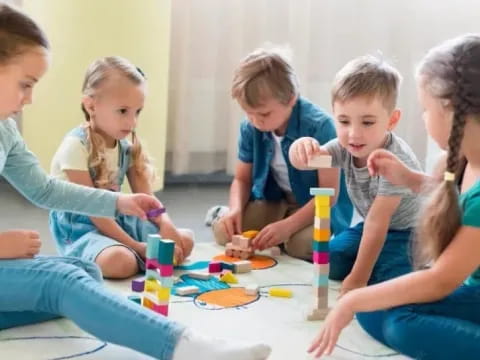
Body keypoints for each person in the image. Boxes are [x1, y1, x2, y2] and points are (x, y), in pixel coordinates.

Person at [0, 4, 270, 360]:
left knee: (83, 272)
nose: (29, 99)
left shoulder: (5, 129)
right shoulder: (70, 143)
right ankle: (186, 347)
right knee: (62, 282)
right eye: (25, 84)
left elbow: (44, 189)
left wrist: (120, 202)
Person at [308, 34, 480, 360]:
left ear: (452, 111)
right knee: (373, 310)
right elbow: (449, 194)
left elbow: (441, 280)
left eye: (426, 110)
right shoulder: (463, 160)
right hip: (470, 289)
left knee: (396, 321)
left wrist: (353, 299)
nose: (423, 118)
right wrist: (407, 177)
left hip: (464, 288)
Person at [49, 56, 193, 279]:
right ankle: (126, 255)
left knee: (185, 240)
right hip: (82, 228)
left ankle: (136, 255)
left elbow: (148, 200)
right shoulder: (75, 147)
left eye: (137, 112)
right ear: (91, 105)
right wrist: (137, 246)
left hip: (119, 219)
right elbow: (94, 211)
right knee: (120, 262)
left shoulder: (126, 147)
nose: (132, 122)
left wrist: (166, 224)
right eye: (123, 111)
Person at [289, 55, 421, 295]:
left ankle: (410, 264)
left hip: (409, 234)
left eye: (367, 123)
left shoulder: (396, 161)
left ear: (392, 120)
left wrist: (359, 278)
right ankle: (373, 260)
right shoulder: (343, 147)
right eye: (344, 121)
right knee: (331, 260)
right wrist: (300, 147)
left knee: (386, 280)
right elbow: (307, 162)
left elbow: (378, 222)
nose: (354, 134)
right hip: (369, 226)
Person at [211, 47, 352, 260]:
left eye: (264, 113)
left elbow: (329, 195)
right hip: (275, 201)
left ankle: (289, 236)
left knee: (303, 245)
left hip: (314, 206)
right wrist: (235, 210)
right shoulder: (250, 128)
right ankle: (224, 213)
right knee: (225, 231)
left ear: (291, 99)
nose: (256, 121)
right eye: (248, 114)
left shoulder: (320, 127)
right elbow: (242, 179)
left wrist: (287, 227)